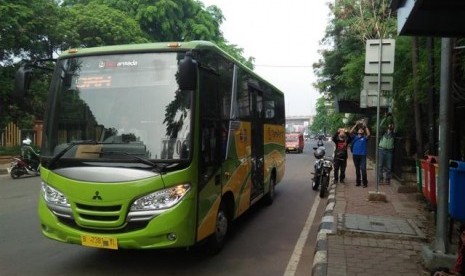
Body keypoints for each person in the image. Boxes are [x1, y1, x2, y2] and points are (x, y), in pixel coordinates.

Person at [350, 121, 371, 187]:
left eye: (362, 129)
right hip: (355, 155)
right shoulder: (354, 137)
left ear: (363, 132)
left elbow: (369, 134)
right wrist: (356, 125)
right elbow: (350, 132)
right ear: (357, 131)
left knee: (363, 169)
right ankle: (358, 182)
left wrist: (365, 126)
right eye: (359, 129)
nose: (361, 129)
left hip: (362, 155)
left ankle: (365, 183)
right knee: (357, 169)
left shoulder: (364, 137)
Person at [378, 112, 396, 184]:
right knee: (380, 166)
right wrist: (385, 117)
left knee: (389, 166)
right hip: (381, 150)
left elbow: (396, 124)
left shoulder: (393, 134)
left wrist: (393, 116)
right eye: (390, 125)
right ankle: (381, 179)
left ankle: (387, 179)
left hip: (389, 151)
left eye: (392, 125)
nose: (390, 125)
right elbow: (380, 125)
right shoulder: (383, 132)